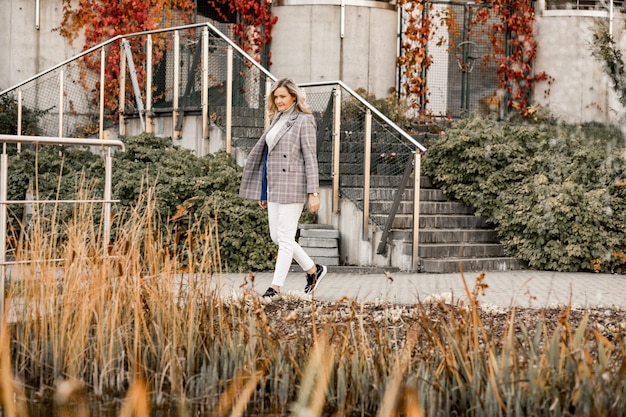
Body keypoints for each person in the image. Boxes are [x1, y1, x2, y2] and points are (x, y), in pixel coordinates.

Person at [239, 78, 327, 298]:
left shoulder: (304, 120)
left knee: (285, 238)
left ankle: (275, 287)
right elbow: (268, 158)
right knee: (277, 237)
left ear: (294, 97)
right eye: (276, 97)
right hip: (274, 186)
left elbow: (310, 157)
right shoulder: (276, 118)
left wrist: (313, 193)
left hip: (294, 185)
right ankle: (313, 270)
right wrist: (263, 190)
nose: (278, 100)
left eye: (283, 97)